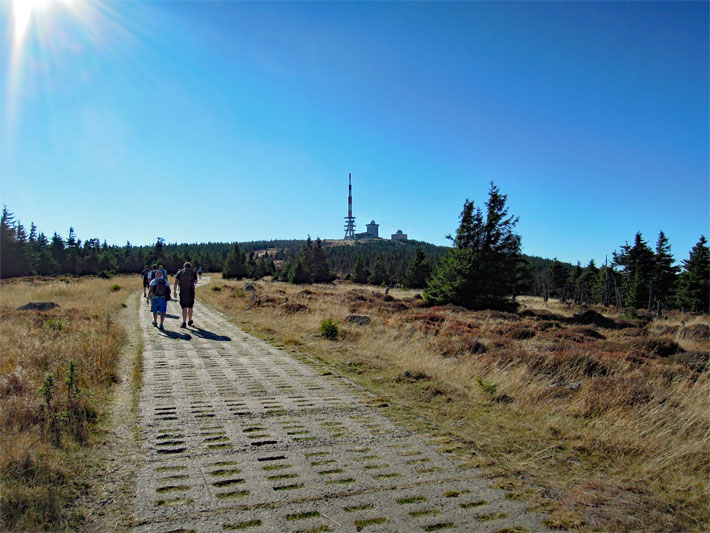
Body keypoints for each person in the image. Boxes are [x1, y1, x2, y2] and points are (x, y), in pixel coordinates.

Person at [174, 261, 198, 328]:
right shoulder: (193, 272)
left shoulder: (180, 272)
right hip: (190, 291)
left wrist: (174, 291)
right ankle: (190, 320)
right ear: (190, 266)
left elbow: (175, 282)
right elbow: (196, 282)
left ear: (183, 266)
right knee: (190, 307)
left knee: (184, 307)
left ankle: (184, 322)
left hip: (182, 292)